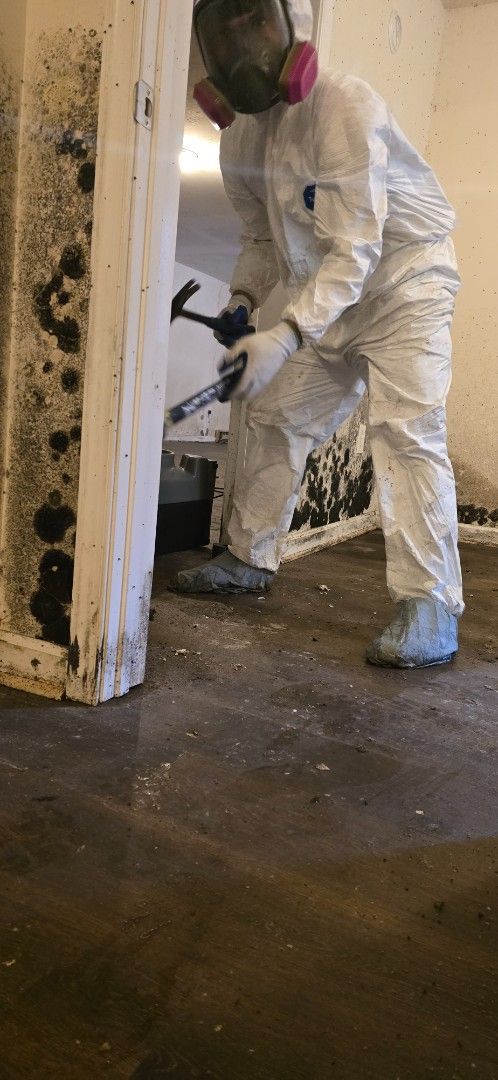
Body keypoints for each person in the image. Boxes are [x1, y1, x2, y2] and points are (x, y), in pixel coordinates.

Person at [173, 0, 464, 670]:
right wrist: (244, 303)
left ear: (294, 23)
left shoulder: (344, 109)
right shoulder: (239, 141)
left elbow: (354, 253)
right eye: (225, 31)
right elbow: (258, 240)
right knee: (274, 415)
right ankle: (248, 558)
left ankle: (431, 607)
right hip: (329, 302)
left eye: (254, 21)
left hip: (404, 287)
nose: (241, 45)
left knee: (407, 432)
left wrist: (283, 336)